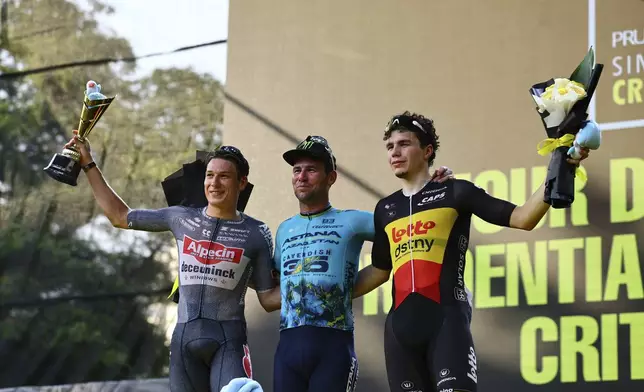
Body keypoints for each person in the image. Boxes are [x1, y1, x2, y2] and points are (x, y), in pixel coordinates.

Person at [353, 111, 591, 392]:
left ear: (428, 151)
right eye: (390, 146)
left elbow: (523, 218)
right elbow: (380, 270)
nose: (395, 152)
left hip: (446, 323)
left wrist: (562, 166)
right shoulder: (385, 209)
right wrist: (325, 295)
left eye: (404, 144)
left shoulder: (457, 192)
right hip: (399, 332)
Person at [63, 130, 279, 392]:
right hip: (183, 339)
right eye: (210, 175)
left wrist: (309, 282)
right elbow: (120, 216)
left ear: (241, 183)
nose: (215, 183)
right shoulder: (180, 218)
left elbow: (268, 298)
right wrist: (88, 163)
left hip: (228, 342)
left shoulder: (257, 232)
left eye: (224, 176)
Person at [271, 135, 454, 392]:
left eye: (311, 170)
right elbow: (272, 292)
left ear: (331, 177)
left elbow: (405, 221)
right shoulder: (284, 230)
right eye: (297, 170)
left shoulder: (353, 221)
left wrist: (431, 188)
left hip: (333, 346)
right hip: (287, 348)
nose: (301, 176)